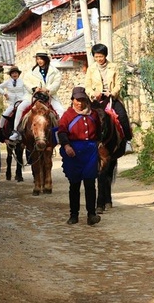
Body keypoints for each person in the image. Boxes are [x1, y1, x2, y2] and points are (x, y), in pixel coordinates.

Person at [57, 87, 102, 225]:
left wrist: (98, 144)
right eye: (77, 100)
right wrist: (67, 145)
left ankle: (91, 215)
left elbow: (99, 131)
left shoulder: (93, 114)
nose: (80, 103)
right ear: (73, 100)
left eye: (82, 100)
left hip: (90, 152)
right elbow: (62, 132)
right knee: (74, 184)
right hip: (74, 152)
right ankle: (73, 215)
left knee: (90, 183)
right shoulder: (67, 115)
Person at [84, 43, 133, 151]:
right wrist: (93, 93)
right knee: (86, 117)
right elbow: (87, 86)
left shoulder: (113, 67)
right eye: (96, 56)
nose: (99, 59)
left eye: (101, 56)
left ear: (105, 55)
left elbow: (119, 83)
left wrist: (112, 92)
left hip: (111, 98)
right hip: (96, 100)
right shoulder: (91, 69)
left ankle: (128, 141)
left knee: (122, 116)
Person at [9, 52, 65, 141]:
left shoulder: (55, 71)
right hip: (33, 95)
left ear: (46, 59)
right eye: (38, 59)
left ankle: (61, 134)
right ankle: (16, 132)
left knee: (61, 111)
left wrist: (47, 89)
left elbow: (57, 83)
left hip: (49, 96)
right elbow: (26, 82)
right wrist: (34, 88)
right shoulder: (31, 71)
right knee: (20, 108)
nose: (39, 61)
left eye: (41, 59)